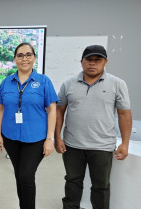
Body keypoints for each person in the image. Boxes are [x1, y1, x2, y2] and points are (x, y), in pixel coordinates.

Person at [55, 45, 132, 209]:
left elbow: (124, 114)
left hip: (102, 146)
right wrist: (57, 138)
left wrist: (125, 143)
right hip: (72, 145)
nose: (92, 63)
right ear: (81, 62)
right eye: (88, 60)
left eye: (98, 60)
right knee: (72, 182)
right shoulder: (68, 84)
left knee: (101, 187)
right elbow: (59, 111)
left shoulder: (118, 84)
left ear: (105, 62)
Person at [0, 42, 58, 209]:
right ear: (15, 59)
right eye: (20, 55)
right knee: (19, 176)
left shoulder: (44, 81)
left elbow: (52, 110)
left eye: (28, 55)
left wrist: (49, 138)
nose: (24, 58)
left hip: (36, 137)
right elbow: (1, 108)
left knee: (26, 175)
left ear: (34, 58)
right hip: (10, 136)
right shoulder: (6, 82)